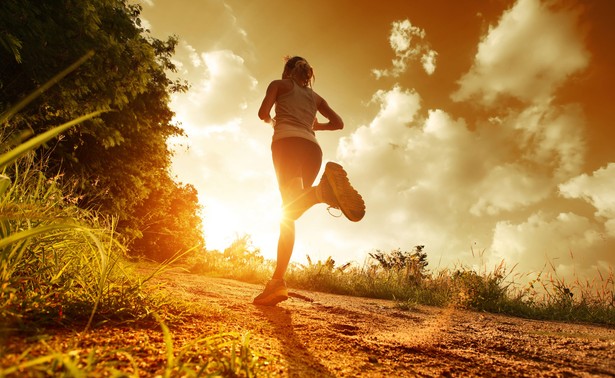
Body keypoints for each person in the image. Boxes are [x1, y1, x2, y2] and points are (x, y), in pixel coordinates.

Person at [253, 56, 365, 306]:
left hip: (287, 144)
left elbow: (262, 113)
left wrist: (273, 122)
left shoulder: (279, 85)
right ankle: (277, 283)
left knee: (288, 212)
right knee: (290, 212)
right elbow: (338, 123)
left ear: (287, 71)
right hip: (312, 150)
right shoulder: (316, 98)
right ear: (308, 74)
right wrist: (315, 127)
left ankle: (320, 193)